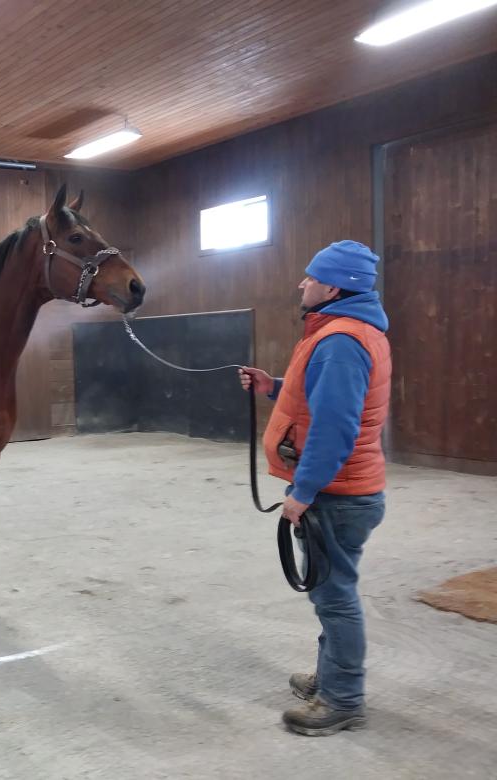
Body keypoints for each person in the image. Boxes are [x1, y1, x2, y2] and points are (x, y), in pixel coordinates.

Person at [239, 240, 391, 737]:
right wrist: (274, 386)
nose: (302, 284)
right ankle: (330, 677)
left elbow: (334, 429)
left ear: (333, 286)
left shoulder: (341, 342)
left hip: (338, 495)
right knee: (329, 590)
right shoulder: (341, 334)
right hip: (344, 490)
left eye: (311, 277)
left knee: (334, 595)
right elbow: (319, 398)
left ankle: (343, 699)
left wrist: (302, 492)